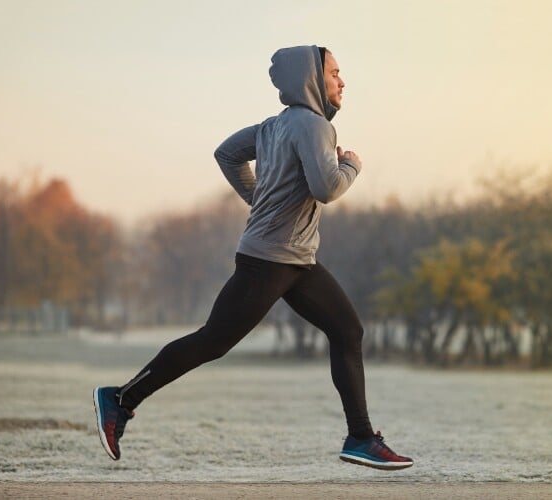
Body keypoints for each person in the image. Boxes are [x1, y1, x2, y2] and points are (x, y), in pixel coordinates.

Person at [92, 45, 413, 471]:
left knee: (348, 331)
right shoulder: (315, 127)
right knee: (213, 341)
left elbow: (226, 152)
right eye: (335, 72)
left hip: (297, 261)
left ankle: (360, 437)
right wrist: (351, 165)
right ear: (313, 79)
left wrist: (257, 197)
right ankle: (119, 400)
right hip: (270, 261)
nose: (342, 81)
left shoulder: (273, 126)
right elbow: (327, 188)